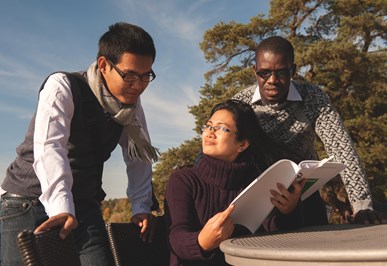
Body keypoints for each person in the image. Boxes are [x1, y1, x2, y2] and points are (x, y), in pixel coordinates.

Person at [0, 22, 159, 266]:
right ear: (105, 65)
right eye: (129, 75)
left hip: (83, 204)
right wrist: (61, 207)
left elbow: (138, 157)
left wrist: (141, 206)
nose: (138, 85)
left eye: (145, 75)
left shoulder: (131, 106)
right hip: (26, 202)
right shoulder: (62, 86)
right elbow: (50, 149)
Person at [232, 35, 387, 225]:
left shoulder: (313, 97)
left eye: (281, 72)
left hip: (306, 198)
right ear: (254, 71)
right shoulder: (240, 104)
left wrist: (362, 205)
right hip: (258, 203)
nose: (272, 80)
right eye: (264, 73)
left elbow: (341, 148)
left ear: (293, 71)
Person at [164, 99, 306, 266]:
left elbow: (271, 235)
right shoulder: (183, 180)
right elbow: (175, 238)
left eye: (222, 129)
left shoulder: (256, 181)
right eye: (209, 126)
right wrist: (202, 242)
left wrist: (288, 211)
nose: (210, 133)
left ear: (242, 144)